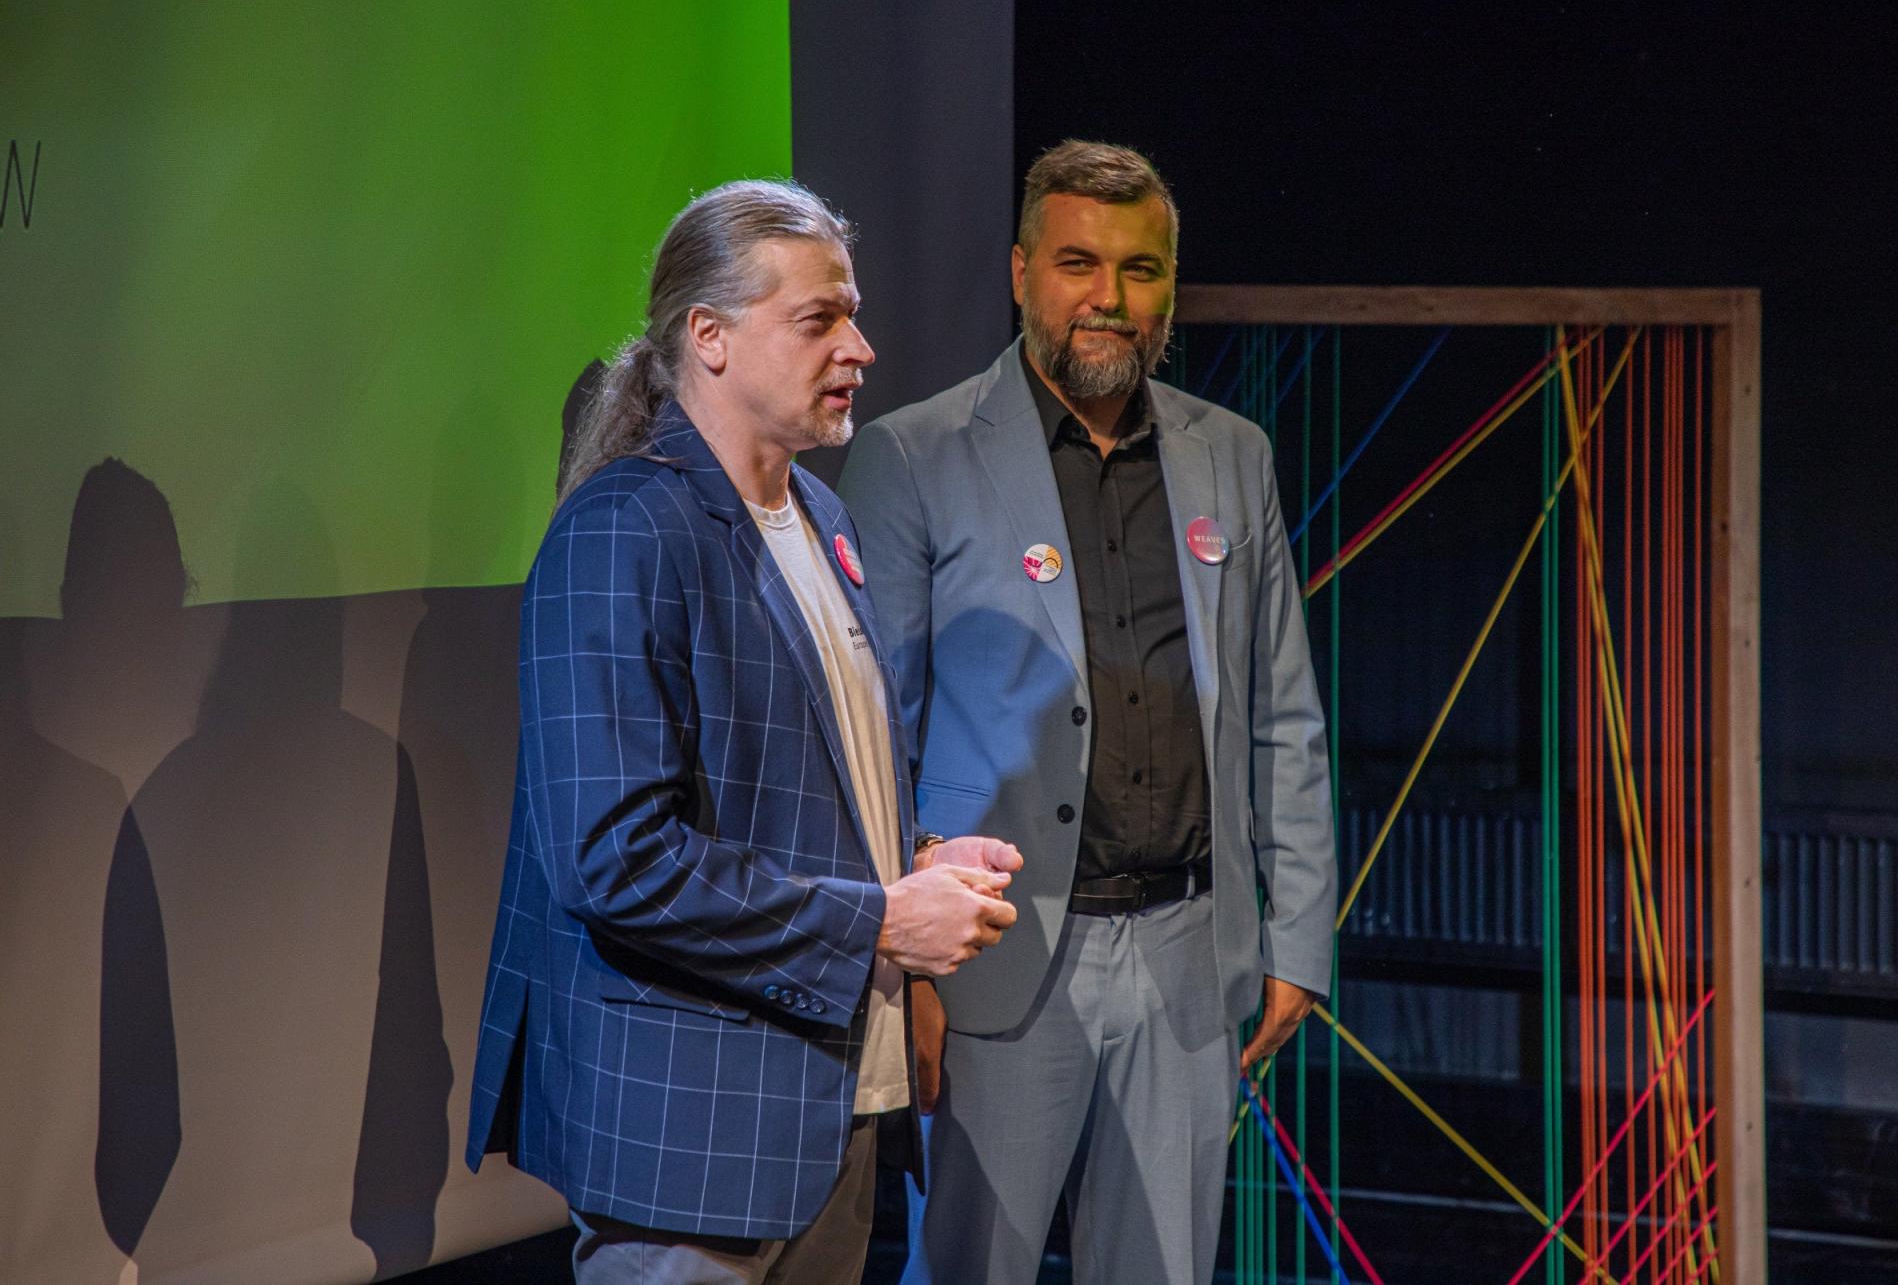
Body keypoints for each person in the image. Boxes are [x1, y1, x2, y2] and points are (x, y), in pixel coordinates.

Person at [465, 179, 1022, 1285]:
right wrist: (881, 921)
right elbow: (615, 858)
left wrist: (911, 861)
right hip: (692, 1138)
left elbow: (800, 790)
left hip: (829, 1112)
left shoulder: (823, 516)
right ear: (709, 337)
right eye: (819, 319)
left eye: (853, 313)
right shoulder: (624, 527)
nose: (859, 347)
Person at [838, 141, 1335, 1283]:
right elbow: (873, 740)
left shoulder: (1233, 455)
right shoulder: (913, 456)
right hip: (995, 962)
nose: (1108, 295)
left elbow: (1283, 715)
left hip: (1188, 955)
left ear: (1169, 286)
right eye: (1077, 263)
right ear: (1021, 273)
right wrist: (910, 974)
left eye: (1139, 268)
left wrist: (1299, 939)